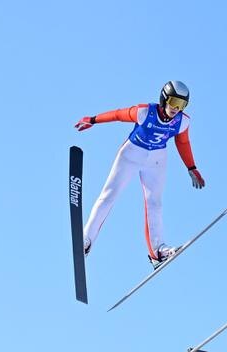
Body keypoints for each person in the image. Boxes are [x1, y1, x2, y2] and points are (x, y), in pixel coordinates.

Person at [74, 80, 205, 267]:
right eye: (174, 102)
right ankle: (86, 240)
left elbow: (183, 142)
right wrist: (93, 120)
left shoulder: (183, 121)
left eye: (182, 104)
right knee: (109, 196)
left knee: (155, 203)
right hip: (132, 153)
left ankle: (158, 252)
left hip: (157, 159)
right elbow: (118, 114)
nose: (176, 108)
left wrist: (191, 167)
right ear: (164, 99)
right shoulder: (145, 112)